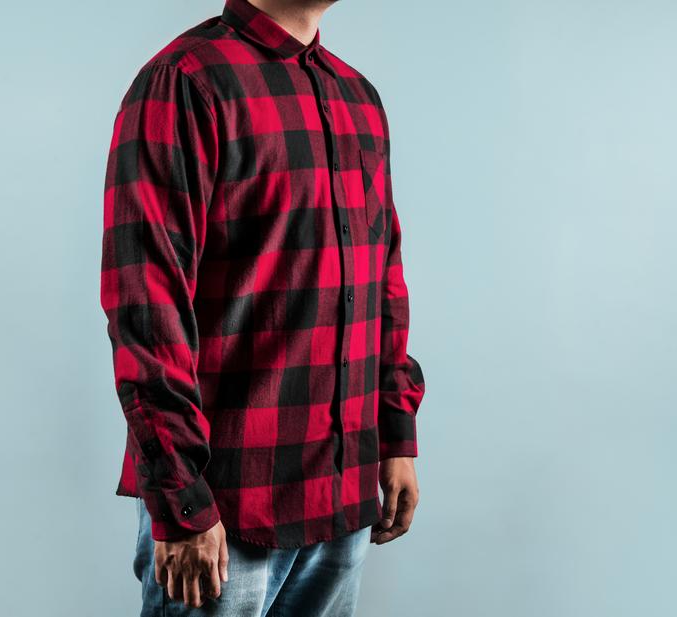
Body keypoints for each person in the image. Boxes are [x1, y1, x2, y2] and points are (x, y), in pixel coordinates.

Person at [100, 0, 426, 614]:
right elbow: (146, 304)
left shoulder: (358, 97)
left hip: (342, 493)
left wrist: (395, 434)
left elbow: (382, 274)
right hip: (226, 506)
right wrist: (182, 503)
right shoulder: (186, 83)